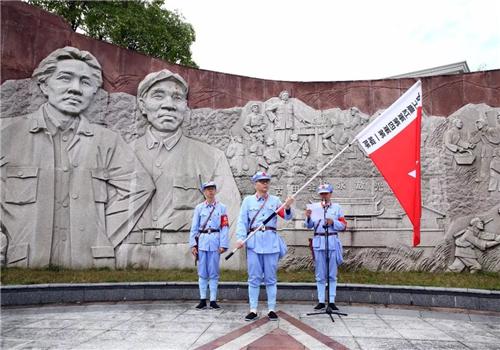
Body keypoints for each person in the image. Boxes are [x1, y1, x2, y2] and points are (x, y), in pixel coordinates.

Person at [0, 47, 155, 269]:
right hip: (24, 259)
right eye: (65, 78)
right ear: (44, 84)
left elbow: (140, 187)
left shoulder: (109, 141)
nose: (75, 89)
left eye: (85, 82)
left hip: (91, 262)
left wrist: (98, 232)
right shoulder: (7, 134)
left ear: (94, 91)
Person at [116, 69, 241, 269]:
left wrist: (225, 263)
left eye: (177, 98)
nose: (169, 105)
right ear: (142, 105)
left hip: (187, 256)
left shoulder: (211, 158)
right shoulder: (120, 154)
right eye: (158, 95)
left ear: (185, 107)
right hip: (128, 255)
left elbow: (230, 219)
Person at [235, 172, 294, 322]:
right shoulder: (248, 201)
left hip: (270, 243)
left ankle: (271, 309)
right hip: (254, 243)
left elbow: (286, 216)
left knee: (270, 278)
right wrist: (240, 239)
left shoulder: (274, 201)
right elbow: (242, 221)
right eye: (262, 181)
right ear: (255, 184)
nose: (265, 184)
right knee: (254, 278)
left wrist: (287, 207)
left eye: (267, 181)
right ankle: (253, 309)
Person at [305, 184, 347, 311]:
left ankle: (332, 301)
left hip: (332, 241)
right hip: (318, 241)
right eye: (321, 193)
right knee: (320, 273)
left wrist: (333, 222)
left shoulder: (337, 208)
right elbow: (309, 226)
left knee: (332, 273)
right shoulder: (315, 208)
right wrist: (307, 217)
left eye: (326, 193)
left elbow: (344, 225)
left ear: (330, 194)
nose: (324, 195)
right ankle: (321, 301)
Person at [189, 181, 229, 310]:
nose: (210, 191)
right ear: (204, 192)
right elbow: (194, 227)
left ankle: (212, 300)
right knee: (202, 272)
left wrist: (223, 244)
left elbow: (224, 227)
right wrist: (193, 245)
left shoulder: (221, 207)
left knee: (213, 272)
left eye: (212, 189)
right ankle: (202, 300)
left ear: (215, 191)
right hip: (202, 242)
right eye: (208, 189)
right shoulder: (199, 208)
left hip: (215, 241)